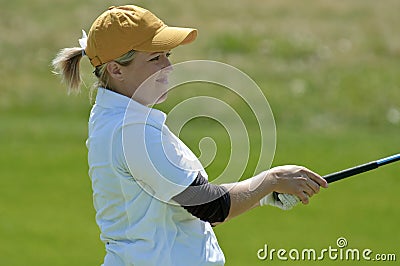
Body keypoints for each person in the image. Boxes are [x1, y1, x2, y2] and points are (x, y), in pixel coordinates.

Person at [52, 5, 328, 266]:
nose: (168, 68)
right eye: (154, 59)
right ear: (115, 69)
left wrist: (263, 194)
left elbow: (188, 204)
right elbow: (212, 207)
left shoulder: (118, 118)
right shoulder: (133, 132)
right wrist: (273, 180)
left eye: (167, 56)